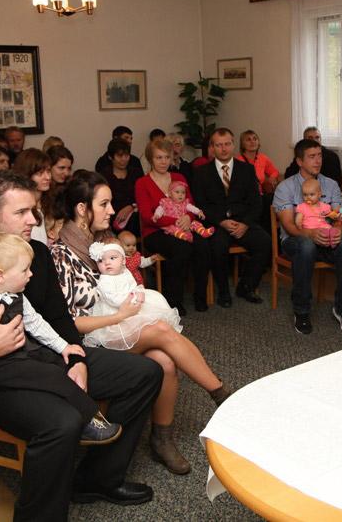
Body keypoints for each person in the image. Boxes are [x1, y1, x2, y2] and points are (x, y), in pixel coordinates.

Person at [0, 170, 163, 519]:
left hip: (48, 358)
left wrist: (77, 360)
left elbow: (58, 319)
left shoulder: (36, 253)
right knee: (63, 422)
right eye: (22, 212)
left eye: (33, 210)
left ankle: (96, 479)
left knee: (145, 373)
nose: (33, 220)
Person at [52, 170, 230, 475]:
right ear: (82, 209)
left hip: (116, 327)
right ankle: (222, 396)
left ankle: (161, 438)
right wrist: (120, 316)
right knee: (160, 330)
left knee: (165, 362)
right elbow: (67, 324)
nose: (112, 210)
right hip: (85, 344)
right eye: (104, 204)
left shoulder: (102, 241)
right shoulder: (61, 254)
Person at [0, 232, 121, 444]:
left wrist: (63, 347)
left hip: (22, 357)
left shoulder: (16, 296)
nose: (31, 274)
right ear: (0, 275)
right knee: (52, 374)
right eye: (24, 270)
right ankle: (90, 419)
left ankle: (73, 414)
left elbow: (36, 324)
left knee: (57, 364)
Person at [273, 138, 342, 334]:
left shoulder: (331, 185)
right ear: (299, 161)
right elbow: (288, 225)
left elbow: (339, 215)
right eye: (312, 157)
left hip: (326, 237)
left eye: (319, 155)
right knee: (306, 246)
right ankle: (301, 310)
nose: (318, 160)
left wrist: (339, 228)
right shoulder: (285, 187)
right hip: (295, 239)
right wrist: (310, 234)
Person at [191, 128, 271, 306]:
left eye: (227, 144)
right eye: (219, 145)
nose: (224, 149)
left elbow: (256, 203)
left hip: (243, 222)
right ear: (212, 147)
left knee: (265, 242)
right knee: (217, 246)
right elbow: (200, 205)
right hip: (217, 223)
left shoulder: (247, 170)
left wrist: (245, 224)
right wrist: (221, 221)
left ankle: (246, 286)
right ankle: (224, 292)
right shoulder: (201, 172)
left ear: (233, 145)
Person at [136, 140, 212, 314]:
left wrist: (188, 217)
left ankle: (200, 296)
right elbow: (147, 216)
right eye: (159, 157)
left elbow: (191, 205)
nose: (163, 161)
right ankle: (173, 300)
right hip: (155, 232)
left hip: (184, 227)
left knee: (203, 245)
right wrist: (176, 221)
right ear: (150, 159)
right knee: (181, 248)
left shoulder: (179, 178)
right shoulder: (142, 182)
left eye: (167, 157)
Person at [85, 241, 181, 349]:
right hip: (117, 309)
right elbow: (115, 301)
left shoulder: (125, 272)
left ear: (123, 260)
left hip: (131, 299)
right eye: (101, 261)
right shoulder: (105, 281)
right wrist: (135, 297)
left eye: (112, 258)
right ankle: (150, 337)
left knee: (156, 297)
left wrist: (138, 290)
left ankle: (160, 335)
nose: (107, 263)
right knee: (135, 324)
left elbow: (132, 285)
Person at [97, 138, 143, 237]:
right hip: (112, 216)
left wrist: (131, 207)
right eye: (119, 156)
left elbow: (143, 196)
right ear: (110, 157)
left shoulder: (136, 173)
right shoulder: (104, 176)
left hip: (135, 213)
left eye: (126, 155)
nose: (123, 159)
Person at [237, 129, 279, 233]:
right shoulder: (237, 161)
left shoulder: (263, 158)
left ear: (258, 142)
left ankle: (271, 234)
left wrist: (271, 178)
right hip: (246, 197)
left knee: (271, 199)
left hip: (261, 196)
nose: (252, 141)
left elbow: (275, 171)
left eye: (255, 139)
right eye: (248, 139)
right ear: (242, 144)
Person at [11, 148, 52, 245]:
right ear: (26, 174)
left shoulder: (48, 203)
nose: (47, 177)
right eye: (40, 173)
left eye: (48, 171)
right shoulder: (18, 208)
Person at [295, 178, 342, 248]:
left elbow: (330, 215)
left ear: (319, 194)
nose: (308, 197)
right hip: (310, 228)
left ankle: (332, 240)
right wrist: (298, 223)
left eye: (311, 194)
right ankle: (327, 241)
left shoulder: (324, 206)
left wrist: (335, 216)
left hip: (323, 226)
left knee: (330, 229)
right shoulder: (302, 206)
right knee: (322, 235)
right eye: (305, 195)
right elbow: (298, 218)